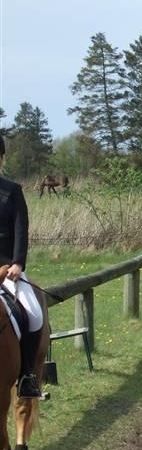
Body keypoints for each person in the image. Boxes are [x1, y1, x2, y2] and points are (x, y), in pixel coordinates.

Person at [0, 134, 44, 398]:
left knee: (34, 314)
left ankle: (27, 375)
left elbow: (20, 231)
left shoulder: (12, 191)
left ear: (1, 159)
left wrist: (17, 263)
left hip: (7, 271)